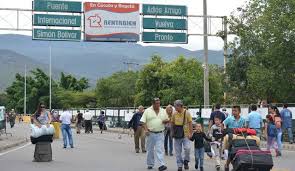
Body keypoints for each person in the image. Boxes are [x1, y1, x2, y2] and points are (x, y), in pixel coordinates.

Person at [140, 98, 168, 171]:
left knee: (160, 149)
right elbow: (143, 122)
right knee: (150, 150)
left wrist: (166, 121)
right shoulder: (147, 111)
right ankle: (150, 164)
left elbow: (167, 119)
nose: (158, 105)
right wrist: (146, 130)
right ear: (153, 104)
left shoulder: (163, 110)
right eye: (157, 103)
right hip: (151, 133)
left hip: (160, 133)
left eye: (159, 103)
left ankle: (162, 164)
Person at [171, 100, 193, 171]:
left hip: (186, 134)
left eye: (175, 106)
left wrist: (190, 133)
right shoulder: (174, 114)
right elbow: (172, 123)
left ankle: (186, 161)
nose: (175, 108)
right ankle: (179, 165)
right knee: (178, 151)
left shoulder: (187, 113)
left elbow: (190, 123)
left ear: (180, 106)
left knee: (187, 148)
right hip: (177, 134)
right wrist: (172, 132)